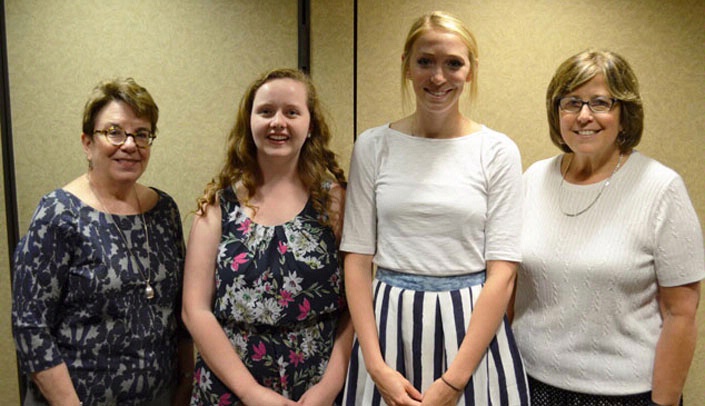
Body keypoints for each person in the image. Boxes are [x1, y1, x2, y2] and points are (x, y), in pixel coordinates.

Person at [342, 11, 529, 406]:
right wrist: (376, 368)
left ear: (471, 71)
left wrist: (454, 382)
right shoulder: (373, 146)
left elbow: (504, 273)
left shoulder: (497, 151)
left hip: (472, 333)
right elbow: (357, 259)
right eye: (425, 61)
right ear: (407, 67)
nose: (438, 77)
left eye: (453, 64)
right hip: (388, 326)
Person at [512, 49, 705, 406]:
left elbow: (681, 312)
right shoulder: (533, 179)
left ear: (625, 114)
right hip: (529, 382)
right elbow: (509, 287)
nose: (584, 116)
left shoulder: (661, 188)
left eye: (600, 102)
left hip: (624, 394)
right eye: (572, 102)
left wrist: (663, 403)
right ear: (557, 113)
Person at [12, 78, 193, 405]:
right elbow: (30, 328)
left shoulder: (164, 210)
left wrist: (185, 383)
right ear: (87, 142)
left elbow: (178, 313)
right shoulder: (57, 214)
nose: (130, 144)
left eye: (142, 134)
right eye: (114, 132)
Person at [182, 68, 352, 405]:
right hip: (231, 388)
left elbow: (356, 306)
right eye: (266, 111)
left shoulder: (335, 203)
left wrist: (329, 386)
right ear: (250, 121)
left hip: (316, 387)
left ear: (310, 125)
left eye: (291, 112)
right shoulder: (219, 207)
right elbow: (194, 310)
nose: (278, 122)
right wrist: (251, 392)